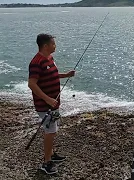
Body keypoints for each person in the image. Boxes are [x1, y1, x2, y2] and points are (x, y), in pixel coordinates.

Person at [28, 33, 75, 174]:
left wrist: (65, 75)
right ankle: (46, 163)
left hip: (54, 104)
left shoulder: (49, 58)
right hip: (45, 106)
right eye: (53, 43)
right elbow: (31, 84)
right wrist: (47, 99)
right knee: (51, 132)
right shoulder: (36, 62)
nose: (55, 45)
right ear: (45, 45)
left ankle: (51, 154)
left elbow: (52, 75)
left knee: (52, 131)